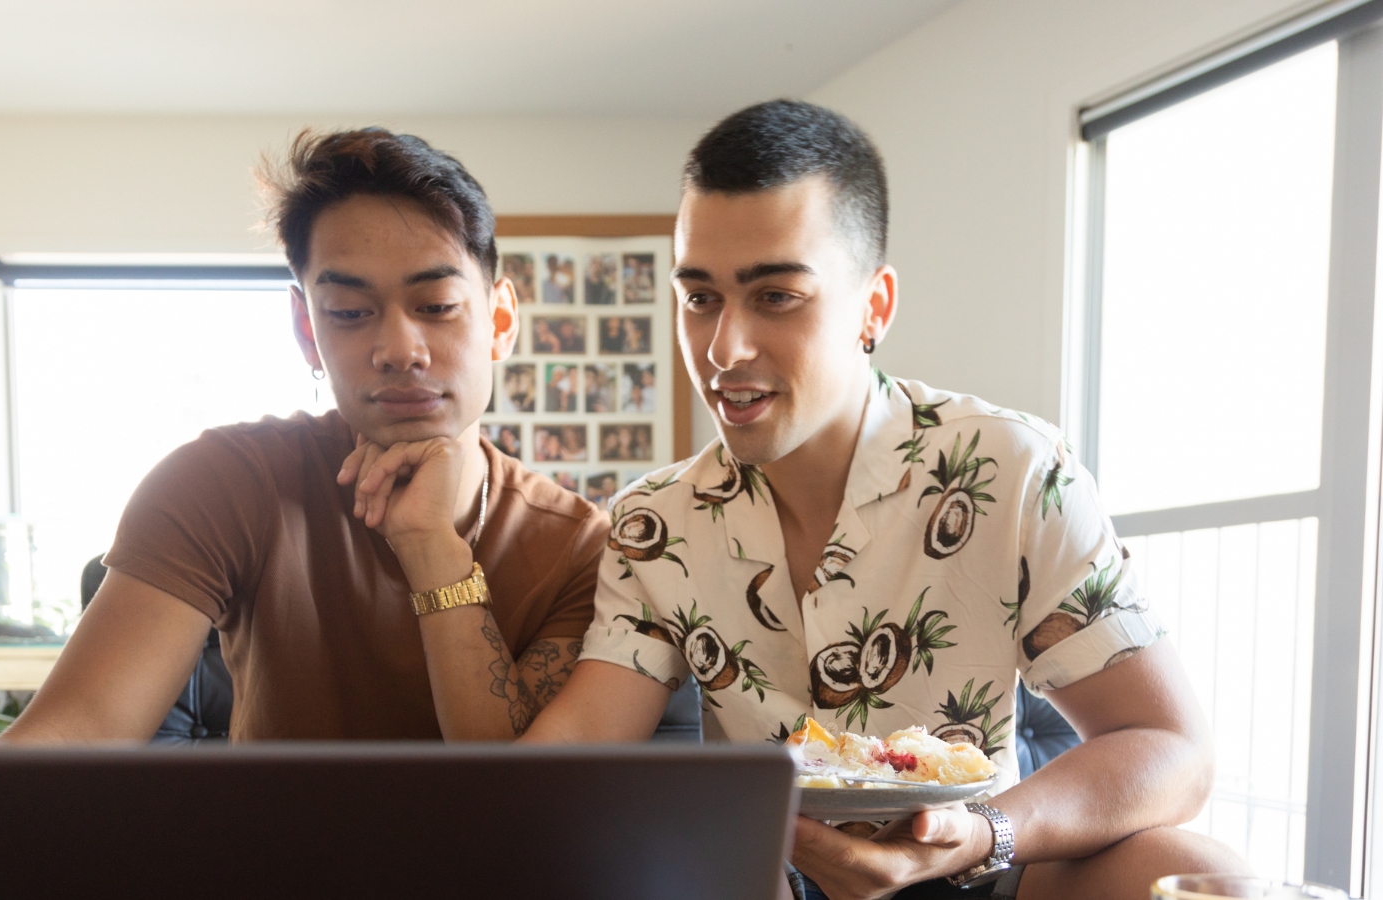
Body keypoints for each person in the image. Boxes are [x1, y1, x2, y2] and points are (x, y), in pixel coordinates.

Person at [520, 101, 1247, 899]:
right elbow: (584, 743)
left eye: (776, 297)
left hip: (986, 869)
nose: (724, 349)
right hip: (768, 882)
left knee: (1204, 876)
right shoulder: (654, 520)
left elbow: (1172, 746)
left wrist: (985, 834)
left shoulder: (1011, 468)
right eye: (700, 298)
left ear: (874, 306)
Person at [0, 127, 608, 744]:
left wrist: (433, 552)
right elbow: (78, 729)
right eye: (348, 312)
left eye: (437, 306)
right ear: (307, 330)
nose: (400, 350)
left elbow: (516, 799)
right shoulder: (224, 481)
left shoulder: (580, 547)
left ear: (500, 320)